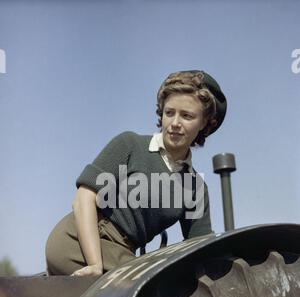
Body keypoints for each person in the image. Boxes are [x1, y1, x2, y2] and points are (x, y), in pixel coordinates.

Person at [45, 70, 227, 277]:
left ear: (204, 123)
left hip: (124, 258)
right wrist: (95, 264)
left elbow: (200, 247)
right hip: (78, 244)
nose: (175, 123)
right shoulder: (130, 145)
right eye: (169, 113)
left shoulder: (195, 187)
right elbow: (83, 199)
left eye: (186, 116)